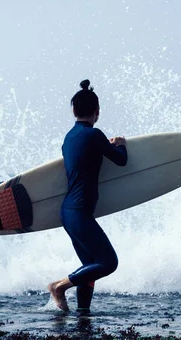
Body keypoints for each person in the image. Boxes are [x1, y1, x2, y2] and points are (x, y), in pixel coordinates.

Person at [48, 79, 128, 313]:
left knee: (90, 266)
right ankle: (59, 287)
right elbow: (120, 160)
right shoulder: (94, 135)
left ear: (73, 111)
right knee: (108, 263)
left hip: (70, 212)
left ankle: (83, 314)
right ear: (97, 112)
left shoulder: (69, 138)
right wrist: (121, 144)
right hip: (80, 212)